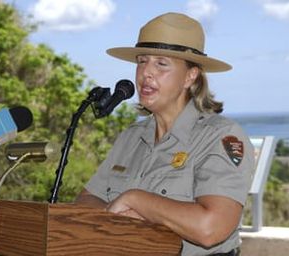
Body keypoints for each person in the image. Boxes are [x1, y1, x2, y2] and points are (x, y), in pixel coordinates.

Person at [75, 13, 254, 256]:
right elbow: (85, 200)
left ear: (190, 76)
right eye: (142, 61)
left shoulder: (219, 137)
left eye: (161, 64)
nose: (145, 73)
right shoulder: (131, 137)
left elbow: (211, 228)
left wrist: (136, 200)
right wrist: (119, 216)